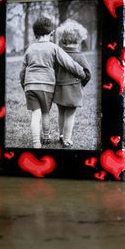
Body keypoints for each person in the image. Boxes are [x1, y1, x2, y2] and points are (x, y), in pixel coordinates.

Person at [19, 16, 86, 149]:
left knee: (35, 114)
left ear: (35, 34)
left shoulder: (29, 49)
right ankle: (46, 136)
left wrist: (24, 85)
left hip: (30, 86)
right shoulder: (54, 48)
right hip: (46, 87)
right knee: (45, 113)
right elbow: (68, 63)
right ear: (51, 33)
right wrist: (81, 72)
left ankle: (36, 143)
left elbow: (22, 71)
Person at [54, 19, 92, 148]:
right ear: (79, 40)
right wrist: (81, 85)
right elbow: (88, 74)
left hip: (58, 91)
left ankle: (60, 135)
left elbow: (53, 71)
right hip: (73, 91)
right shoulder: (80, 56)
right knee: (70, 116)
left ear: (62, 40)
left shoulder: (57, 55)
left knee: (61, 113)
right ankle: (67, 139)